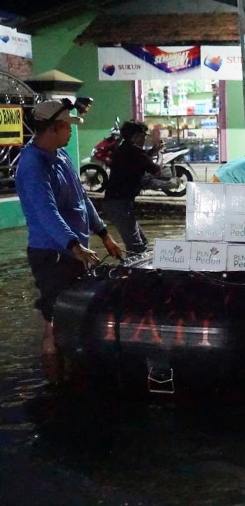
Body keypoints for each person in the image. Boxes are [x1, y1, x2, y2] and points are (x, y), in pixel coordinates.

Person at [15, 99, 122, 381]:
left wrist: (104, 235)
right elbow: (45, 212)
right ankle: (53, 386)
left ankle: (71, 373)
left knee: (71, 318)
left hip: (73, 251)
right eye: (67, 127)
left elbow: (81, 199)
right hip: (52, 255)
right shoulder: (32, 165)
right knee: (52, 322)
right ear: (53, 128)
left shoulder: (60, 157)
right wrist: (74, 246)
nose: (71, 132)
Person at [104, 120, 167, 254]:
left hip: (118, 202)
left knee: (142, 243)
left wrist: (153, 151)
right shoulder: (134, 151)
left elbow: (141, 160)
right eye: (144, 135)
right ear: (137, 136)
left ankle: (136, 269)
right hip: (119, 204)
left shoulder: (124, 148)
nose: (145, 139)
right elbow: (157, 170)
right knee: (136, 246)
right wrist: (160, 153)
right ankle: (133, 272)